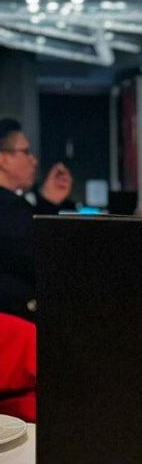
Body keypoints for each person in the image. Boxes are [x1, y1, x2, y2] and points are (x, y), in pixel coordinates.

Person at [0, 118, 75, 321]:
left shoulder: (13, 207)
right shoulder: (9, 209)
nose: (33, 161)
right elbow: (47, 258)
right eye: (25, 152)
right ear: (4, 159)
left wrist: (48, 201)